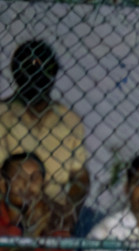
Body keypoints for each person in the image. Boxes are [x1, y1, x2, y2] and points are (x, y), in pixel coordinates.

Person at [0, 41, 89, 230]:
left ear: (54, 72)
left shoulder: (69, 120)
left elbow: (80, 177)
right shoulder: (2, 114)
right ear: (16, 73)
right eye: (28, 68)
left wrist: (69, 210)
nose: (35, 75)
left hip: (55, 214)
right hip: (6, 211)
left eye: (43, 68)